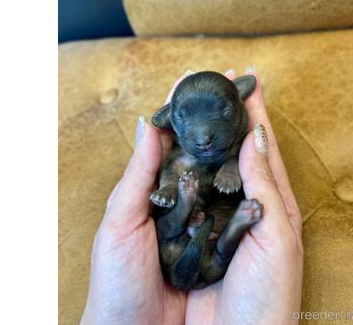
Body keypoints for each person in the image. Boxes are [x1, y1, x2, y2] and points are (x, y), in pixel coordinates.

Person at [80, 68, 304, 324]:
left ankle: (206, 213)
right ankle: (195, 209)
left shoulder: (240, 148)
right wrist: (166, 189)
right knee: (180, 230)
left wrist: (232, 168)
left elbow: (239, 165)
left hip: (216, 253)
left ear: (239, 101)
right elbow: (171, 171)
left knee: (218, 244)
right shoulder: (181, 155)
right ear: (170, 121)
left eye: (225, 111)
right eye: (185, 120)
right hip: (177, 253)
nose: (203, 137)